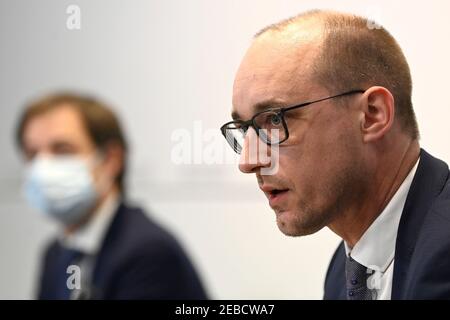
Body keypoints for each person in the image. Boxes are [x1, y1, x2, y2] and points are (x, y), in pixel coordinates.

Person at [221, 9, 450, 299]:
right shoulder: (345, 269)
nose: (248, 161)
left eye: (275, 120)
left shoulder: (442, 253)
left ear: (372, 115)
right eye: (244, 129)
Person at [16, 92, 207, 299]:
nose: (43, 166)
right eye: (32, 153)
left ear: (111, 159)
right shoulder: (55, 254)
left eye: (62, 150)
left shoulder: (147, 251)